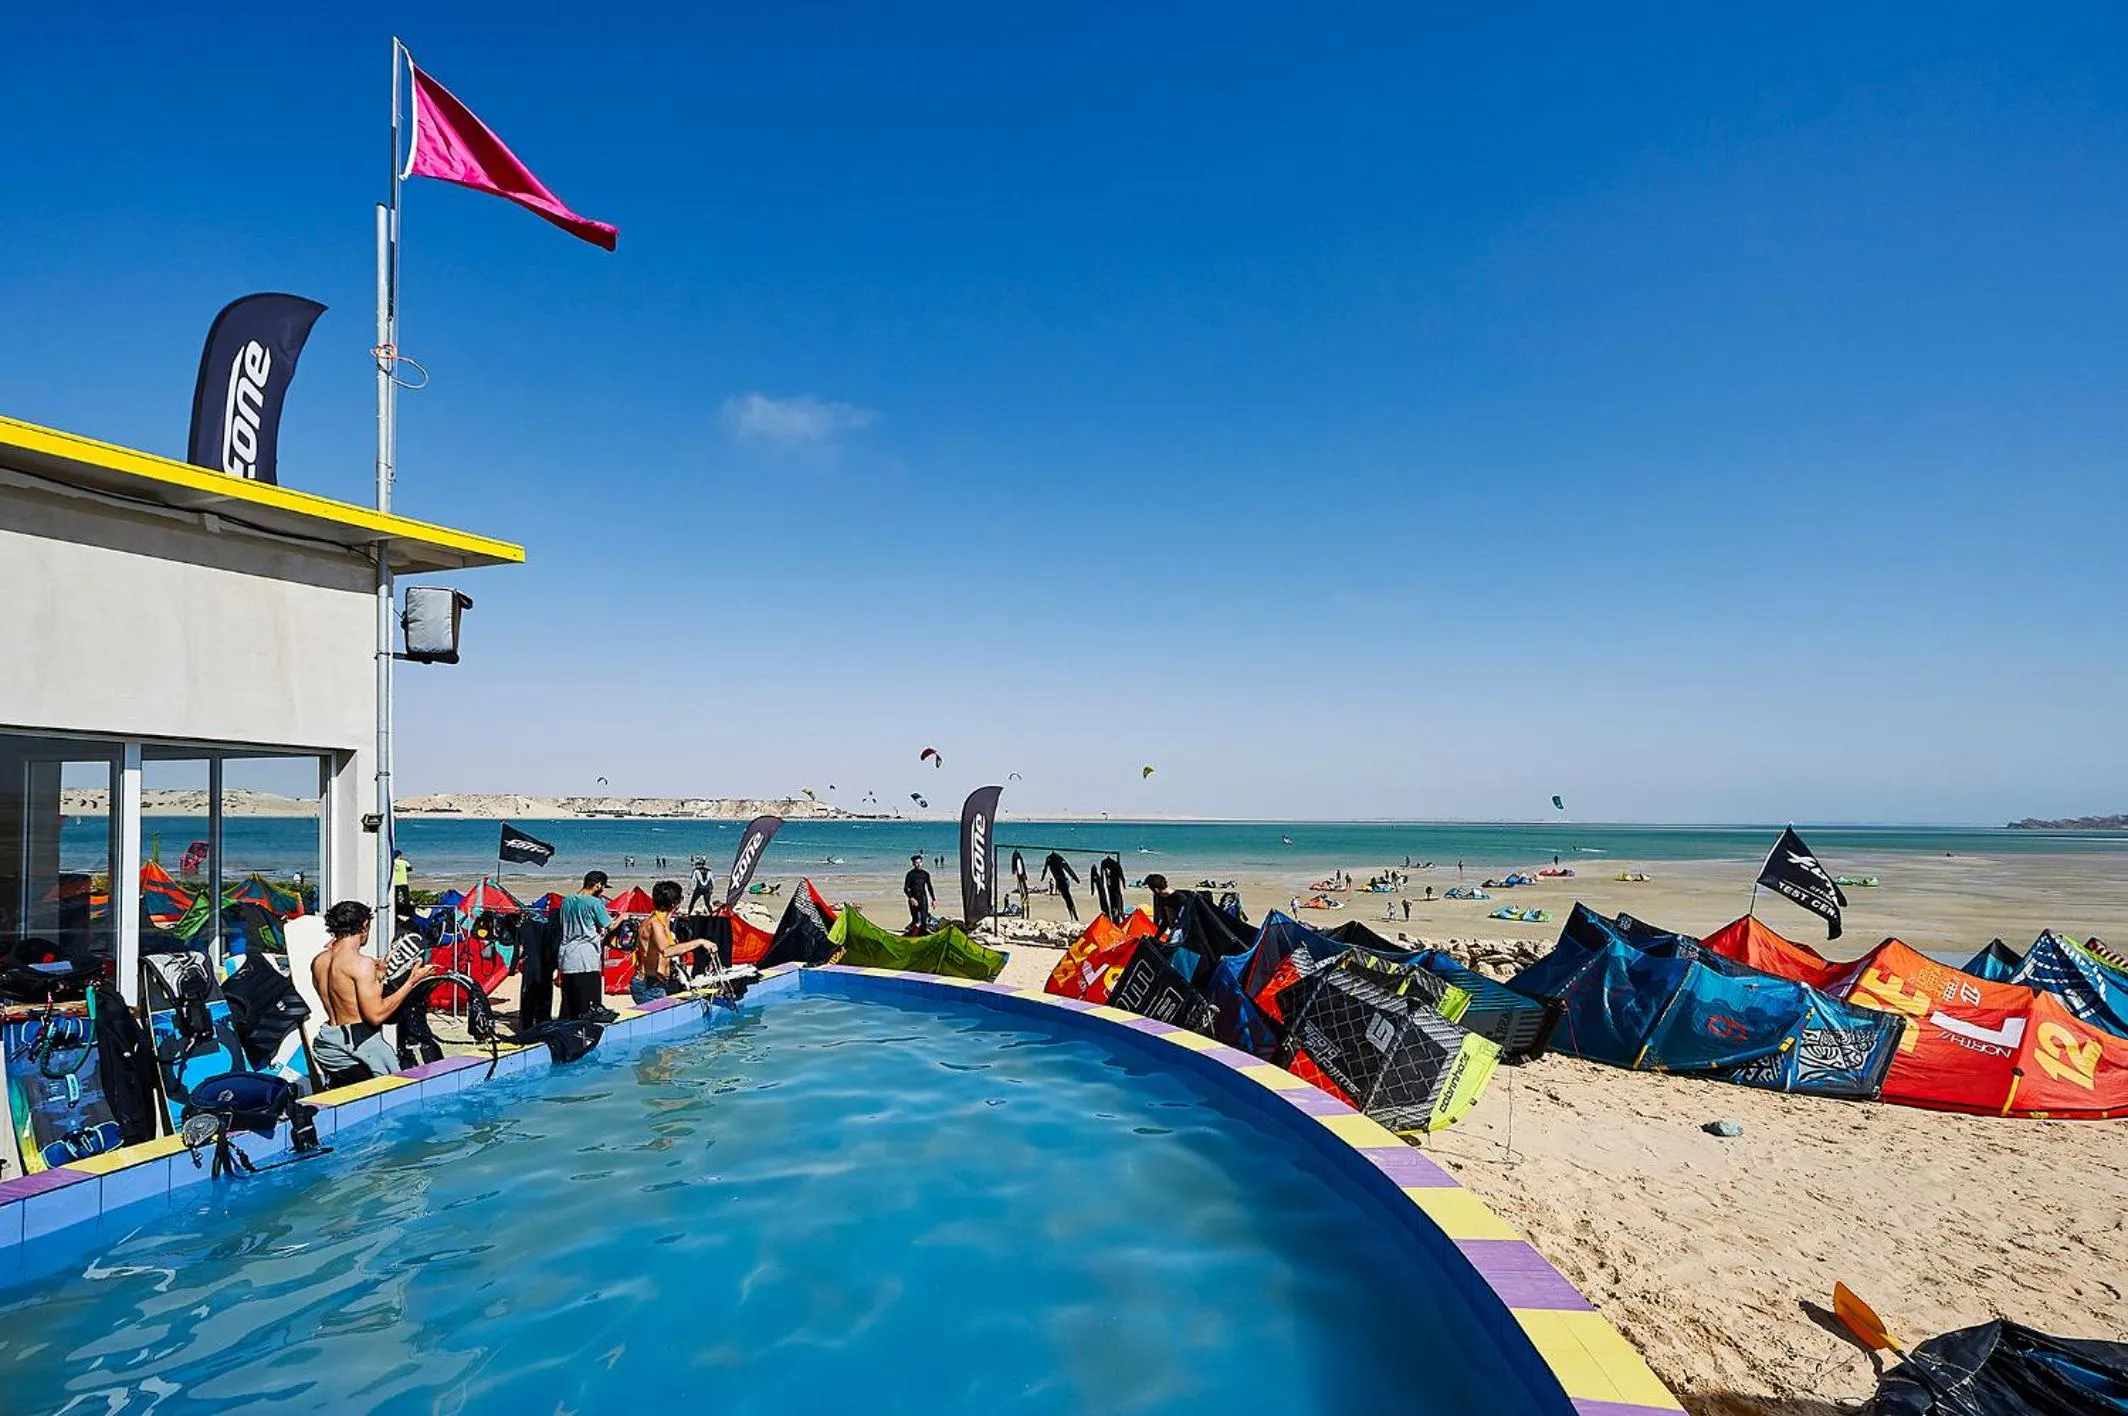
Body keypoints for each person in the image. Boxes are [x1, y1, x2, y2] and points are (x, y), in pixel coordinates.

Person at [311, 900, 432, 1083]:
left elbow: (345, 996)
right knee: (393, 1095)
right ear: (365, 925)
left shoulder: (319, 961)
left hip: (328, 1041)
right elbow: (376, 1015)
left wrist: (380, 976)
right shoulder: (362, 963)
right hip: (358, 1043)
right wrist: (412, 982)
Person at [560, 871, 619, 1023]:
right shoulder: (594, 902)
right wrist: (622, 918)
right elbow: (609, 925)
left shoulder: (567, 900)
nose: (603, 891)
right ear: (598, 885)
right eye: (603, 887)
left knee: (569, 1002)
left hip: (567, 953)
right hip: (586, 955)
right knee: (588, 1005)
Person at [631, 880, 686, 1004]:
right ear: (675, 903)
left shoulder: (663, 921)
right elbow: (667, 951)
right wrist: (700, 942)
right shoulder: (655, 923)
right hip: (648, 985)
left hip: (657, 982)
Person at [904, 853, 936, 933]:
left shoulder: (925, 874)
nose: (918, 865)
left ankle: (924, 933)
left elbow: (929, 887)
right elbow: (905, 889)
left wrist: (933, 899)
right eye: (916, 863)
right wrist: (911, 898)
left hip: (923, 898)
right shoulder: (910, 874)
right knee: (915, 920)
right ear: (913, 864)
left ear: (922, 862)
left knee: (923, 920)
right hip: (913, 899)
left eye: (919, 862)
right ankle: (913, 933)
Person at [391, 849, 413, 925]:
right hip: (403, 882)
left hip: (395, 882)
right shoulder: (403, 862)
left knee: (395, 897)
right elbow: (410, 868)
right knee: (406, 898)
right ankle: (407, 912)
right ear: (399, 855)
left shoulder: (392, 862)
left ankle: (396, 910)